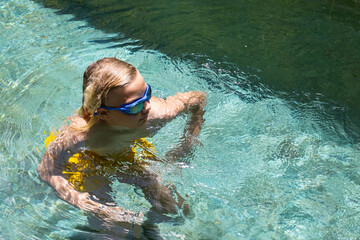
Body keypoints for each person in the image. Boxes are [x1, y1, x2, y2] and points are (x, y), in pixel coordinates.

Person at [37, 57, 206, 238]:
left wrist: (187, 144)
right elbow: (48, 171)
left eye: (147, 93)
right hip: (87, 161)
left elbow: (198, 99)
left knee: (176, 208)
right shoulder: (81, 134)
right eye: (135, 106)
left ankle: (149, 229)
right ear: (104, 114)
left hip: (126, 152)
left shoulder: (159, 112)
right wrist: (91, 205)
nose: (147, 107)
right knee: (116, 228)